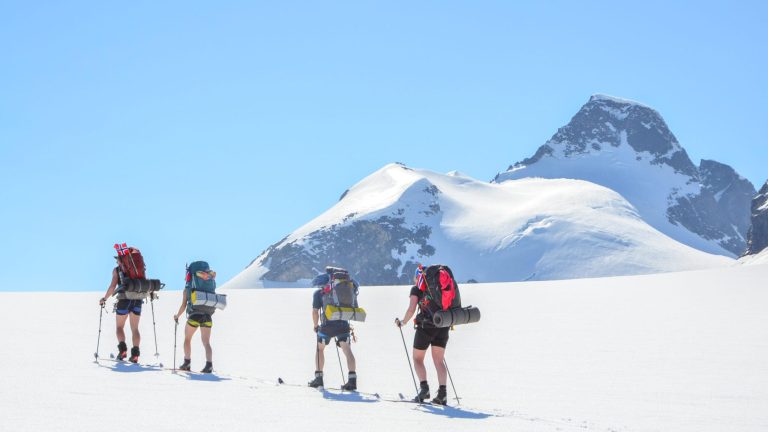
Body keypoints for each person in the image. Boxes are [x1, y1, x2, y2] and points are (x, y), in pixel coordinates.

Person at [395, 265, 450, 405]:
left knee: (417, 359)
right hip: (442, 324)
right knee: (439, 360)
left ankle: (424, 389)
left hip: (425, 327)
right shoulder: (439, 286)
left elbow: (411, 309)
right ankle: (442, 394)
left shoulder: (417, 288)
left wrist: (403, 322)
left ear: (418, 276)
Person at [308, 268, 358, 390]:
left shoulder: (320, 293)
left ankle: (318, 379)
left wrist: (315, 326)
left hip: (327, 326)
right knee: (347, 350)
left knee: (320, 349)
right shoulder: (346, 288)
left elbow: (315, 312)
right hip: (343, 323)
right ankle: (352, 381)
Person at [173, 261, 216, 374]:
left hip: (195, 314)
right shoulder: (209, 283)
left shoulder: (187, 288)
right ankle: (209, 365)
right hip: (208, 315)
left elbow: (183, 305)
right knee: (206, 342)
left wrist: (177, 316)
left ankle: (187, 363)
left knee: (187, 339)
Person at [99, 264, 142, 363]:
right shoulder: (137, 268)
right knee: (135, 328)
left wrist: (104, 298)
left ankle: (122, 351)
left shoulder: (117, 270)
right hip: (137, 300)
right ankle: (135, 355)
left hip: (124, 300)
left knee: (119, 327)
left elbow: (113, 286)